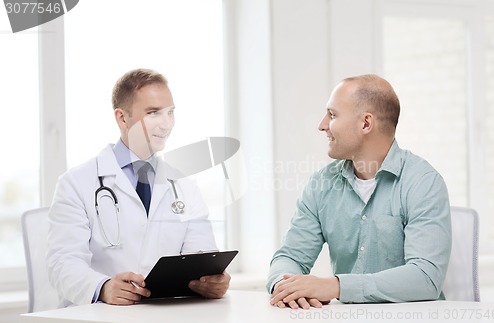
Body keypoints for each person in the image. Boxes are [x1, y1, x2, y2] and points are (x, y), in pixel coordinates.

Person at [47, 68, 230, 307]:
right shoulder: (76, 183)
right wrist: (103, 288)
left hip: (164, 314)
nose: (166, 124)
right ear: (122, 118)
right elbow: (62, 263)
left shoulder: (184, 185)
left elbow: (201, 253)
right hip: (100, 315)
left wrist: (211, 280)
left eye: (170, 112)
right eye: (154, 113)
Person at [268, 74, 452, 308]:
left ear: (366, 123)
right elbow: (290, 257)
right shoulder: (322, 184)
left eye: (332, 115)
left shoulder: (422, 182)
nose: (322, 125)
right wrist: (283, 286)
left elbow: (426, 277)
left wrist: (336, 286)